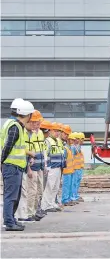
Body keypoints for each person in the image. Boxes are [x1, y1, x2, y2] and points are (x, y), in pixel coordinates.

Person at [1, 99, 35, 231]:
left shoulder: (12, 125)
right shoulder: (15, 127)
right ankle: (9, 222)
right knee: (11, 196)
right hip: (11, 166)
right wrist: (2, 161)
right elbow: (7, 147)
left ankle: (11, 219)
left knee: (14, 195)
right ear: (27, 114)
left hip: (15, 166)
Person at [25, 110, 46, 221]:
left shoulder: (41, 133)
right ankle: (30, 212)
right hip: (32, 166)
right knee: (32, 190)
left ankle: (36, 210)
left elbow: (42, 149)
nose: (38, 124)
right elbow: (27, 149)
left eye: (38, 122)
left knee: (40, 189)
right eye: (36, 122)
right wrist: (29, 166)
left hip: (40, 166)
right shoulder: (28, 133)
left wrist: (44, 164)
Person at [40, 122, 63, 212]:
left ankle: (52, 202)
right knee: (49, 186)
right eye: (55, 131)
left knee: (56, 187)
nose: (57, 133)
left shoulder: (58, 141)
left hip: (58, 166)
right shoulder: (48, 141)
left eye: (58, 131)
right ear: (50, 131)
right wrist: (46, 166)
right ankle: (45, 205)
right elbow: (45, 155)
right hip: (51, 167)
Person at [61, 132, 76, 207]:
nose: (73, 141)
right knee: (66, 186)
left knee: (70, 186)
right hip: (66, 171)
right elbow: (64, 159)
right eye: (72, 140)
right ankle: (65, 200)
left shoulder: (70, 148)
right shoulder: (65, 148)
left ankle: (69, 199)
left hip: (71, 171)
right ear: (68, 140)